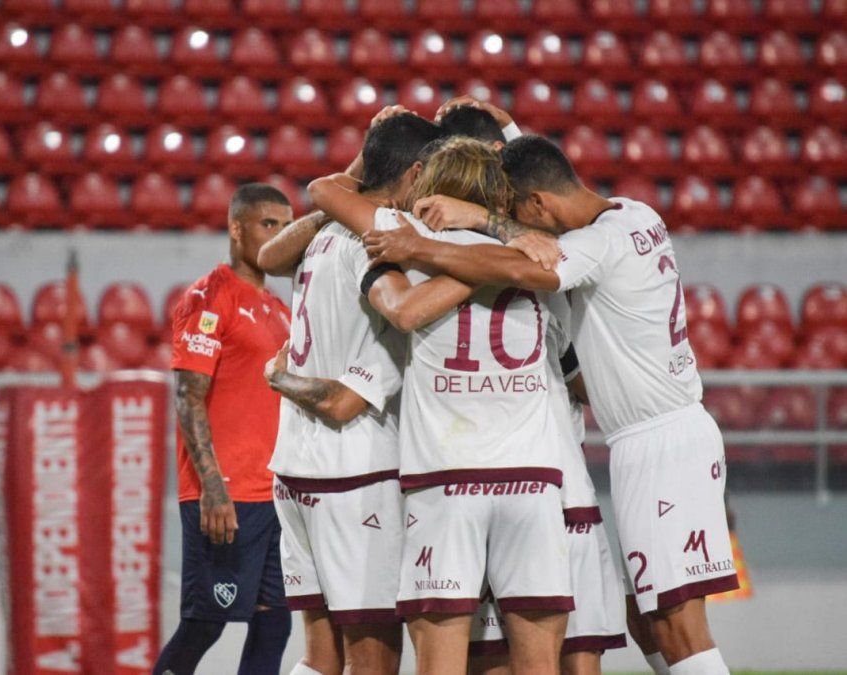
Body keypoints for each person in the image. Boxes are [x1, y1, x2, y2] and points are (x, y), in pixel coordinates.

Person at [364, 136, 737, 674]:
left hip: (655, 442)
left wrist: (425, 243)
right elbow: (544, 186)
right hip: (645, 440)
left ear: (537, 203)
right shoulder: (636, 214)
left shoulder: (593, 246)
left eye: (519, 213)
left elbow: (528, 267)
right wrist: (509, 138)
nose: (523, 227)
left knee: (679, 627)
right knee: (646, 621)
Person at [310, 137, 574, 675]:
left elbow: (326, 195)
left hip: (444, 480)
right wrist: (500, 258)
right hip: (533, 480)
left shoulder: (402, 239)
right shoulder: (537, 253)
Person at [436, 99, 628, 675]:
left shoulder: (436, 247)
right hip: (554, 475)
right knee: (574, 649)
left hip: (466, 476)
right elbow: (549, 203)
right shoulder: (544, 253)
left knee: (485, 652)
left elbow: (541, 190)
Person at [257, 112, 448, 675]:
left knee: (319, 657)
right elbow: (344, 403)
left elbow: (269, 258)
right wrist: (281, 379)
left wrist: (280, 379)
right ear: (415, 173)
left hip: (293, 472)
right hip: (353, 475)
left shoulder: (319, 237)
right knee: (374, 659)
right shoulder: (383, 246)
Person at [155, 183, 293, 675]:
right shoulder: (210, 296)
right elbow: (188, 395)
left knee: (275, 623)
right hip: (226, 496)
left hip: (275, 494)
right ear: (236, 229)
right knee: (204, 625)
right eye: (268, 224)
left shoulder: (280, 310)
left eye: (285, 225)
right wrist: (212, 487)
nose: (279, 235)